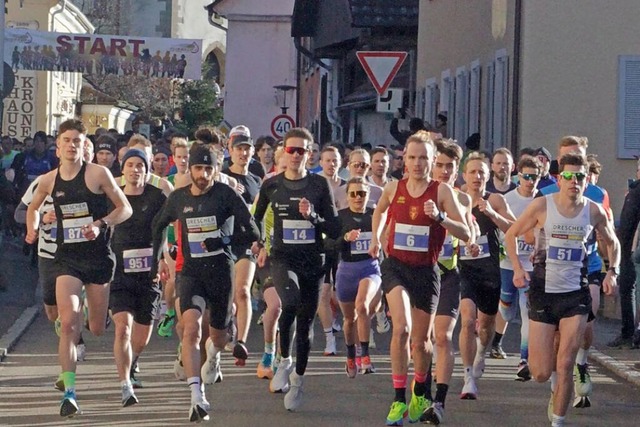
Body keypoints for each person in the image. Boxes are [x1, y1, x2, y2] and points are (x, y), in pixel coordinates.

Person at [25, 119, 133, 417]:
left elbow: (125, 208)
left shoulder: (98, 173)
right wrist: (32, 229)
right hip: (66, 259)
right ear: (57, 147)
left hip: (97, 259)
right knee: (69, 324)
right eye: (67, 140)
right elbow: (33, 207)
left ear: (84, 145)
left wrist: (101, 224)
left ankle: (88, 311)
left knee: (96, 328)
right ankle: (70, 392)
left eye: (77, 140)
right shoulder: (48, 180)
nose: (72, 145)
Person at [504, 152, 620, 427]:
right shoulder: (542, 206)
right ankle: (555, 389)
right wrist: (519, 270)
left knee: (566, 362)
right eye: (568, 176)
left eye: (580, 176)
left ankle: (559, 420)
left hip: (575, 295)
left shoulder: (593, 210)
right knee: (541, 371)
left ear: (586, 178)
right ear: (559, 178)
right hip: (544, 292)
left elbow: (613, 242)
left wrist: (611, 272)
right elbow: (511, 234)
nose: (574, 181)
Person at [150, 144, 259, 422]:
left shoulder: (226, 195)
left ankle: (214, 353)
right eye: (198, 168)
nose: (203, 174)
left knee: (218, 337)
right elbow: (158, 225)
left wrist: (223, 241)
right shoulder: (178, 198)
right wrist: (157, 261)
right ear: (190, 169)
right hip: (190, 272)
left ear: (216, 170)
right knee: (190, 329)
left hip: (221, 272)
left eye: (208, 168)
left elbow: (252, 231)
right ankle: (196, 396)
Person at [368, 130, 470, 426]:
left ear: (431, 160)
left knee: (422, 342)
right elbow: (380, 213)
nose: (416, 163)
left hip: (426, 271)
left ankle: (421, 389)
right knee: (401, 329)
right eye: (411, 157)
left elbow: (465, 232)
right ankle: (399, 397)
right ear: (404, 160)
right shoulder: (393, 187)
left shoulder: (441, 192)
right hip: (396, 266)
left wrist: (440, 217)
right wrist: (376, 238)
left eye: (423, 158)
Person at [253, 127, 340, 411]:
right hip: (282, 258)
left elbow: (334, 228)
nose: (295, 155)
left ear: (309, 154)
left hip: (312, 261)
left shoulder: (318, 185)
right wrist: (260, 244)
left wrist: (312, 216)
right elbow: (255, 219)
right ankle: (283, 361)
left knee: (305, 324)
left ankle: (298, 380)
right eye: (290, 150)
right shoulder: (272, 184)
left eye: (301, 151)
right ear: (283, 152)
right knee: (288, 303)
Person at [419, 139, 476, 425]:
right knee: (420, 341)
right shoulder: (417, 193)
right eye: (439, 165)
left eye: (449, 167)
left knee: (442, 336)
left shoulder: (462, 199)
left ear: (457, 170)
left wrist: (473, 243)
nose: (443, 171)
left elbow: (470, 230)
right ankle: (422, 391)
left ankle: (438, 402)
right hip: (417, 272)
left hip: (447, 272)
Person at [109, 148, 166, 406]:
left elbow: (167, 230)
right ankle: (124, 384)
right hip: (119, 275)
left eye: (140, 165)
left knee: (141, 339)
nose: (135, 170)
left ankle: (132, 363)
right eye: (130, 165)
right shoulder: (112, 197)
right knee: (123, 327)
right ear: (123, 169)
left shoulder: (157, 197)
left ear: (147, 170)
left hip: (149, 275)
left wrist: (165, 258)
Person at [458, 152, 516, 400]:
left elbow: (515, 228)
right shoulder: (456, 199)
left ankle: (482, 352)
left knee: (486, 325)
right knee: (468, 320)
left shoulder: (496, 199)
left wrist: (492, 213)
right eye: (472, 172)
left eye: (481, 172)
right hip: (463, 269)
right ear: (464, 176)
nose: (477, 177)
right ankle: (468, 376)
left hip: (489, 271)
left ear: (488, 175)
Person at [329, 177, 381, 377]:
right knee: (350, 319)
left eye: (362, 193)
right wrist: (345, 238)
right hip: (346, 270)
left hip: (369, 268)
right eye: (354, 193)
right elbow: (329, 246)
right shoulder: (340, 217)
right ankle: (351, 355)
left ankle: (365, 355)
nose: (358, 197)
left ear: (368, 196)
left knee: (363, 306)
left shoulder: (375, 216)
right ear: (347, 196)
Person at [497, 155, 543, 381]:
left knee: (528, 313)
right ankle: (503, 303)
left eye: (534, 177)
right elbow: (503, 231)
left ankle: (524, 360)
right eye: (526, 176)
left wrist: (536, 241)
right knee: (506, 311)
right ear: (518, 176)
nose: (530, 181)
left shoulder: (543, 202)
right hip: (507, 264)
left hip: (531, 267)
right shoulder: (507, 199)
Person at [222, 133, 263, 365]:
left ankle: (242, 341)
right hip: (225, 241)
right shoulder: (223, 176)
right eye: (239, 149)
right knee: (229, 294)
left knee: (243, 291)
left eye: (247, 149)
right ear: (231, 150)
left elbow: (261, 212)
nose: (243, 153)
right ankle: (227, 326)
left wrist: (261, 238)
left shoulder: (257, 179)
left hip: (246, 242)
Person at [616, 155, 640, 349]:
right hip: (627, 249)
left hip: (633, 250)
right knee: (627, 289)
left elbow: (632, 222)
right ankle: (630, 332)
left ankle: (631, 333)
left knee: (631, 289)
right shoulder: (635, 189)